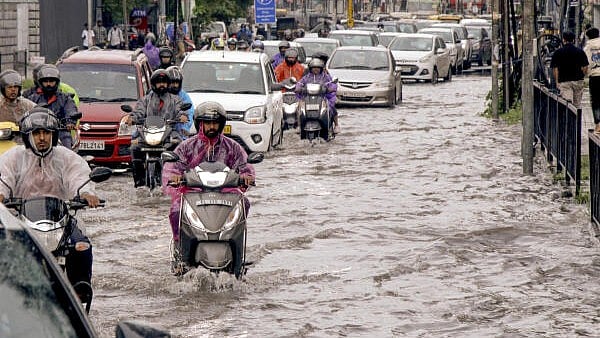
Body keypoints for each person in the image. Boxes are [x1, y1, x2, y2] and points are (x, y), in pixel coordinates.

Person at [0, 107, 100, 300]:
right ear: (27, 136)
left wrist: (86, 193)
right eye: (37, 133)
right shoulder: (13, 157)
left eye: (46, 132)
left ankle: (80, 292)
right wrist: (2, 195)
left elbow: (78, 177)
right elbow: (3, 179)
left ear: (54, 135)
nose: (42, 138)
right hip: (20, 220)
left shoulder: (66, 157)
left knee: (81, 246)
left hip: (63, 219)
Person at [161, 101, 255, 272]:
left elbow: (245, 166)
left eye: (215, 122)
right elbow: (172, 167)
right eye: (207, 122)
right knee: (176, 210)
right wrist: (175, 177)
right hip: (193, 193)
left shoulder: (232, 146)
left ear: (221, 124)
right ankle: (180, 251)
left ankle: (239, 255)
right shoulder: (187, 146)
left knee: (244, 203)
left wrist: (246, 177)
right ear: (199, 124)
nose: (212, 126)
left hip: (226, 193)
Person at [126, 69, 186, 187]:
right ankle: (139, 182)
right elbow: (139, 111)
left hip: (169, 132)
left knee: (179, 144)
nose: (162, 85)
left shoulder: (176, 99)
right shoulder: (146, 99)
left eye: (164, 82)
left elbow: (180, 110)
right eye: (159, 82)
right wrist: (132, 118)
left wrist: (182, 116)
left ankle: (177, 179)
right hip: (148, 132)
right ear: (153, 84)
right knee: (134, 147)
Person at [26, 65, 79, 149]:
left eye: (51, 81)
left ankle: (66, 160)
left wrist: (70, 121)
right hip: (38, 131)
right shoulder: (32, 98)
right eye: (45, 81)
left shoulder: (65, 98)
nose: (48, 84)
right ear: (40, 82)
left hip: (60, 132)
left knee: (66, 143)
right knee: (25, 147)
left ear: (57, 82)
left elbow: (71, 110)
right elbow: (24, 112)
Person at [295, 58, 340, 133]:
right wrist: (298, 88)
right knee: (299, 108)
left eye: (318, 68)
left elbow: (332, 83)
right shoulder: (306, 77)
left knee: (331, 107)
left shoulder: (326, 77)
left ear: (321, 68)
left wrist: (330, 89)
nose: (316, 69)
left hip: (323, 97)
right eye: (314, 68)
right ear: (310, 69)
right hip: (308, 98)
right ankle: (299, 125)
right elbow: (299, 83)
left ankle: (336, 125)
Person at [550, 31, 589, 108]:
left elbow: (555, 69)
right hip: (578, 81)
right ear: (573, 40)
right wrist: (582, 76)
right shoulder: (580, 52)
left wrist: (557, 81)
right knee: (577, 105)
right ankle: (577, 119)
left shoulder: (558, 52)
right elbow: (585, 67)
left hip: (564, 82)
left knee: (567, 105)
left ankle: (568, 119)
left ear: (563, 40)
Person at [166, 66, 194, 138]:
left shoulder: (184, 96)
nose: (175, 85)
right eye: (173, 82)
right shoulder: (158, 93)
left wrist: (184, 121)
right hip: (157, 131)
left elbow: (189, 112)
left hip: (178, 133)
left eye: (177, 83)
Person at [584, 28, 600, 133]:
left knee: (595, 101)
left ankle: (598, 125)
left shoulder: (587, 48)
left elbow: (585, 64)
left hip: (594, 77)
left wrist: (586, 73)